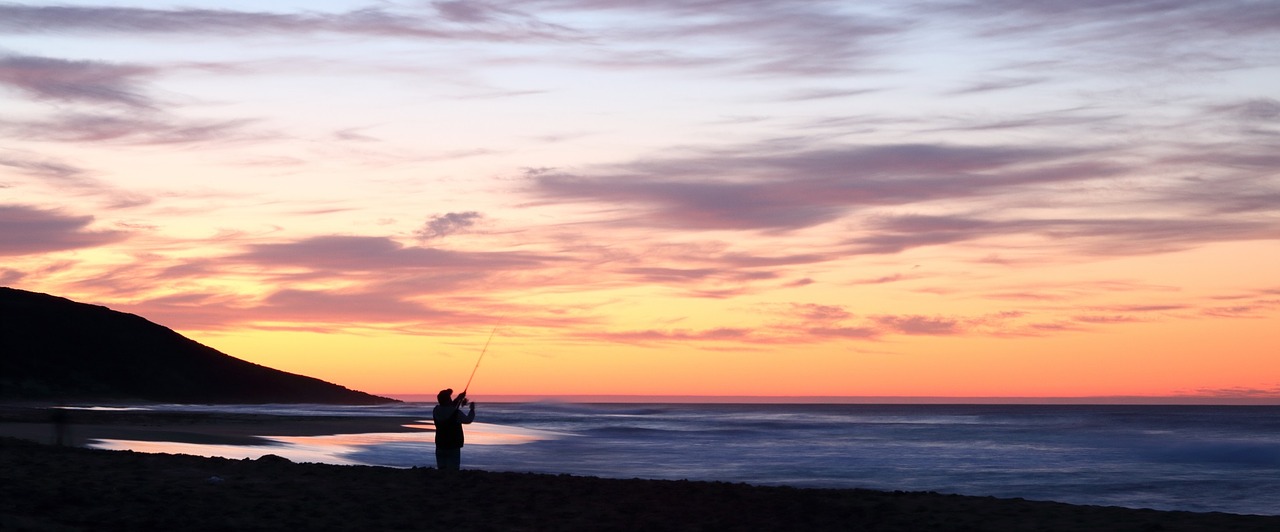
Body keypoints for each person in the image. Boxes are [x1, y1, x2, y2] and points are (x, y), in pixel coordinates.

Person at [432, 388, 475, 470]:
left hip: (440, 443)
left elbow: (448, 407)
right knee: (453, 470)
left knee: (441, 469)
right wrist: (472, 409)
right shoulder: (456, 413)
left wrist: (458, 398)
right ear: (448, 400)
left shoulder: (436, 410)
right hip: (453, 444)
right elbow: (468, 420)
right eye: (450, 398)